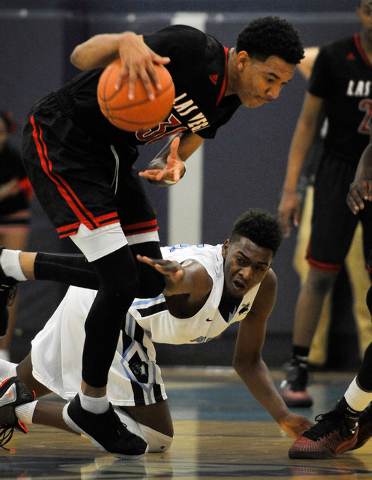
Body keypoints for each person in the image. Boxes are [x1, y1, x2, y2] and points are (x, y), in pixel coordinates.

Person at [3, 17, 304, 458]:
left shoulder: (229, 100)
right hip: (64, 137)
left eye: (283, 84)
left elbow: (192, 135)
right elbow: (80, 56)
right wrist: (124, 41)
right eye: (270, 78)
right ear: (242, 59)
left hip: (114, 158)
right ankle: (91, 404)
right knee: (121, 279)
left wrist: (175, 159)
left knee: (145, 281)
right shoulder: (190, 48)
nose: (274, 92)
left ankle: (9, 267)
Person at [0, 210, 312, 457]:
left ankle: (11, 403)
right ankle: (18, 410)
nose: (247, 274)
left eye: (259, 266)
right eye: (241, 261)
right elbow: (188, 276)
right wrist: (176, 281)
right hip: (113, 313)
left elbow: (248, 362)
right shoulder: (204, 272)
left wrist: (283, 416)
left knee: (20, 382)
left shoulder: (265, 286)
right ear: (227, 247)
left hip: (89, 294)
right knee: (156, 436)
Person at [277, 0, 372, 408]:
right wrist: (290, 189)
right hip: (336, 171)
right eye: (369, 8)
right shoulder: (335, 56)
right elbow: (306, 124)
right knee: (319, 273)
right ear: (358, 12)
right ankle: (298, 365)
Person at [290, 47, 372, 369]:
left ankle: (369, 360)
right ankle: (306, 359)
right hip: (331, 176)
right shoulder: (338, 59)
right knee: (310, 268)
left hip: (366, 175)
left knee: (364, 275)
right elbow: (303, 56)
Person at [0, 111, 32, 362]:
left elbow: (28, 189)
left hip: (13, 217)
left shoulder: (14, 159)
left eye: (0, 133)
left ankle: (2, 350)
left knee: (9, 282)